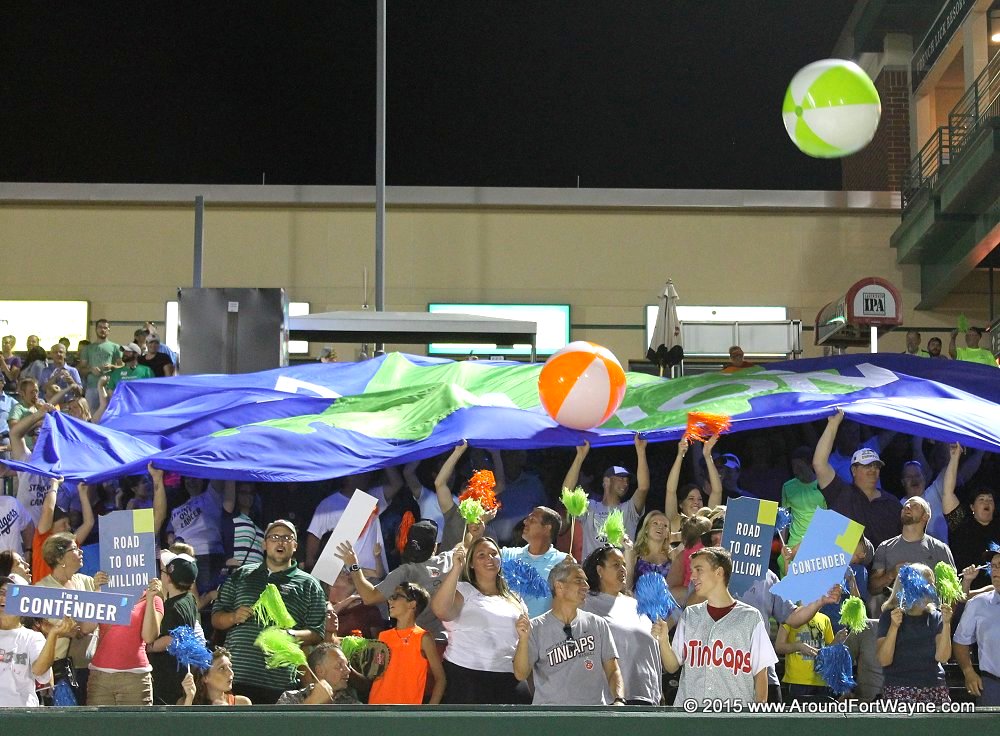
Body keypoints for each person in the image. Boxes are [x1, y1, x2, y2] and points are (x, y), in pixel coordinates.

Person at [211, 519, 326, 704]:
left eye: (287, 538)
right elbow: (216, 618)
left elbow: (317, 632)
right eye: (274, 537)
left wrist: (290, 634)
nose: (280, 542)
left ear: (295, 546)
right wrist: (233, 617)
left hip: (280, 682)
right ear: (264, 544)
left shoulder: (310, 585)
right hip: (237, 677)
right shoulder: (240, 575)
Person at [657, 547, 777, 707]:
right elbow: (672, 666)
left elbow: (761, 677)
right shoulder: (690, 614)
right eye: (691, 570)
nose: (692, 576)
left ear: (719, 572)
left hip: (733, 717)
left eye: (698, 570)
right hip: (691, 715)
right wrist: (664, 641)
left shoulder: (751, 617)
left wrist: (754, 718)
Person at [513, 558, 625, 705]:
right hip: (552, 719)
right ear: (559, 586)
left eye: (585, 581)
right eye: (578, 581)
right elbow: (521, 674)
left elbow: (613, 670)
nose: (586, 585)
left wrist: (619, 699)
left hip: (592, 716)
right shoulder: (535, 627)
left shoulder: (598, 624)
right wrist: (523, 639)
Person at [431, 537, 526, 704]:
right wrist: (456, 569)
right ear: (472, 564)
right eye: (481, 555)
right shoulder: (464, 590)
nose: (489, 558)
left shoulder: (515, 598)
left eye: (493, 553)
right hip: (465, 676)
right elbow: (440, 610)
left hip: (506, 677)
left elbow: (524, 640)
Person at [338, 519, 456, 641]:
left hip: (415, 642)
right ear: (435, 546)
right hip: (448, 642)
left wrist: (354, 565)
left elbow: (369, 597)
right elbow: (466, 544)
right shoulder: (451, 560)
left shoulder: (405, 572)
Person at [581, 544, 662, 705]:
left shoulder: (635, 605)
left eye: (624, 565)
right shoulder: (585, 603)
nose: (623, 569)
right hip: (611, 700)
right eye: (616, 565)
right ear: (599, 570)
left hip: (647, 697)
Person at [813, 409, 901, 548]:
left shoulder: (892, 503)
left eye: (876, 466)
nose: (873, 470)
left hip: (885, 568)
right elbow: (819, 463)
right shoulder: (841, 493)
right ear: (854, 470)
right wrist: (833, 425)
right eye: (867, 466)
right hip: (848, 567)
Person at [35, 532, 106, 703]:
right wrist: (97, 593)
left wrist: (99, 587)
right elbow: (81, 629)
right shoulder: (42, 590)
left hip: (92, 665)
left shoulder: (87, 581)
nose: (81, 552)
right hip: (61, 671)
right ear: (60, 559)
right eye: (74, 549)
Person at [561, 436, 650, 560]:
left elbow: (643, 488)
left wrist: (641, 451)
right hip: (591, 575)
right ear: (606, 481)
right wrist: (579, 457)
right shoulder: (590, 507)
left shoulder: (629, 509)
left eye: (627, 480)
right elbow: (567, 493)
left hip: (620, 574)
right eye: (621, 479)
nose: (625, 484)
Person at [876, 563, 953, 704]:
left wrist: (947, 623)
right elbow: (884, 660)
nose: (934, 589)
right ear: (914, 585)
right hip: (899, 689)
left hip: (934, 688)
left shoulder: (936, 616)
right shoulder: (889, 616)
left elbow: (943, 657)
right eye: (929, 584)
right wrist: (894, 627)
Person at [87, 577, 164, 705]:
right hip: (101, 677)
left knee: (134, 725)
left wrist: (150, 598)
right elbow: (86, 628)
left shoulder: (153, 599)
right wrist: (96, 593)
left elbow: (149, 637)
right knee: (98, 725)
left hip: (135, 678)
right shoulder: (104, 592)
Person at [0, 575, 76, 706]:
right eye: (1, 593)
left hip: (21, 716)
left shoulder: (32, 637)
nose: (4, 598)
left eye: (11, 594)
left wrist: (53, 635)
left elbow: (39, 671)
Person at [369, 582, 446, 705]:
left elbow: (440, 678)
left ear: (412, 604)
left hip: (407, 711)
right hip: (377, 707)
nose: (390, 601)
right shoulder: (383, 636)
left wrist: (430, 710)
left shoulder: (423, 638)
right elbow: (376, 672)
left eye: (396, 596)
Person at [869, 497, 954, 598]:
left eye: (915, 506)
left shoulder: (940, 549)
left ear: (925, 516)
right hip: (895, 611)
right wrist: (892, 574)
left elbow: (952, 590)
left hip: (929, 610)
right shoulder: (885, 547)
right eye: (905, 506)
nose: (908, 507)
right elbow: (872, 588)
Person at [941, 444, 998, 590]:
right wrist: (955, 457)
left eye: (990, 500)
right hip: (966, 596)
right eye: (982, 499)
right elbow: (948, 493)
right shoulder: (962, 524)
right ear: (972, 507)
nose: (987, 502)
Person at [147, 551, 200, 706]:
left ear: (168, 578)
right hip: (179, 671)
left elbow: (173, 638)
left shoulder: (172, 607)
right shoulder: (190, 600)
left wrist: (149, 647)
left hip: (166, 673)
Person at [952, 546, 1000, 706]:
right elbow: (960, 641)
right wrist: (968, 671)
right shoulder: (979, 604)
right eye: (993, 566)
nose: (995, 571)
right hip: (992, 685)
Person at [500, 505, 567, 617]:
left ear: (547, 528)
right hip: (507, 631)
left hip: (542, 632)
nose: (525, 522)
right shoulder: (507, 554)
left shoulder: (563, 561)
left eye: (532, 520)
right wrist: (476, 534)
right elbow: (474, 556)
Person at [664, 436, 722, 543]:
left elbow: (717, 491)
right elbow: (670, 491)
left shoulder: (708, 521)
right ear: (681, 504)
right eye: (691, 498)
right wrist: (680, 455)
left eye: (700, 499)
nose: (696, 502)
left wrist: (708, 456)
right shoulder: (675, 521)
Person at [775, 608, 841, 702]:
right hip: (797, 680)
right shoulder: (790, 616)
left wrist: (837, 640)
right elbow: (779, 647)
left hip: (822, 680)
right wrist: (799, 646)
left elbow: (829, 652)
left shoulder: (825, 619)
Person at [276, 642, 357, 705]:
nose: (348, 670)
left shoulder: (352, 705)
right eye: (340, 665)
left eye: (347, 665)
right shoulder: (290, 698)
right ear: (320, 670)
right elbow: (280, 725)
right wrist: (312, 701)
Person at [76, 319, 122, 412]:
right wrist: (90, 370)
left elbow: (123, 367)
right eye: (100, 327)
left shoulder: (115, 347)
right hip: (92, 387)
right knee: (90, 416)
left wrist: (112, 367)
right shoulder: (88, 348)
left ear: (109, 330)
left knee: (109, 415)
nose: (102, 330)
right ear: (96, 329)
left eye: (105, 328)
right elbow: (81, 369)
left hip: (110, 387)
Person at [179, 648, 252, 705]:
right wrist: (189, 699)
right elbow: (182, 724)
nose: (231, 672)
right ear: (205, 677)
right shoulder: (184, 702)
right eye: (222, 668)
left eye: (230, 667)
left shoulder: (242, 703)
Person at [632, 510, 673, 585]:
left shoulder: (672, 557)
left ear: (668, 534)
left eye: (665, 525)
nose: (660, 527)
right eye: (655, 523)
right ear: (646, 529)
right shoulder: (634, 555)